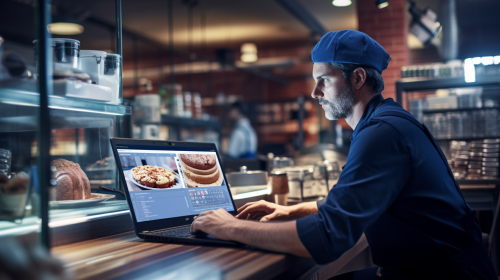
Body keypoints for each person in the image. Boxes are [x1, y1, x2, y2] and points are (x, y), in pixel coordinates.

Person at [191, 30, 497, 279]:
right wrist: (291, 210)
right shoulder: (385, 120)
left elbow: (329, 235)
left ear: (358, 78)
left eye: (323, 79)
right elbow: (364, 197)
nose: (314, 93)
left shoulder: (380, 133)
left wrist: (228, 226)